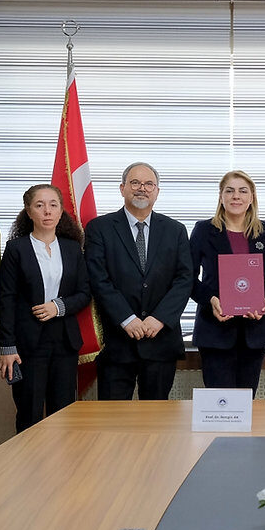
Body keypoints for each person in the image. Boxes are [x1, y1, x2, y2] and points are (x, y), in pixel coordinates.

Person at [84, 162, 193, 400]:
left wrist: (159, 318)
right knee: (113, 421)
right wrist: (127, 319)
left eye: (148, 184)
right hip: (117, 341)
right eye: (135, 183)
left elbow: (184, 279)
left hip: (160, 340)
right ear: (122, 188)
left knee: (156, 422)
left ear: (157, 191)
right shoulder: (100, 228)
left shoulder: (175, 230)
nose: (141, 188)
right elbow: (98, 279)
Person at [0, 184, 91, 432]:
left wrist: (58, 307)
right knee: (29, 412)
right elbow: (6, 299)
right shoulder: (16, 249)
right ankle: (30, 470)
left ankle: (62, 469)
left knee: (63, 413)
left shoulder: (72, 248)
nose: (47, 211)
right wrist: (7, 345)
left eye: (53, 205)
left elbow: (84, 292)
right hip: (28, 344)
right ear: (29, 212)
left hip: (64, 342)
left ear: (61, 211)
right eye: (39, 205)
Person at [190, 170, 265, 394]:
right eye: (230, 191)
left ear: (251, 197)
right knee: (220, 402)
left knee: (246, 403)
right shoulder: (204, 230)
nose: (236, 196)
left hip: (255, 331)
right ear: (221, 196)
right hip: (215, 329)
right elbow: (187, 277)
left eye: (243, 191)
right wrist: (211, 300)